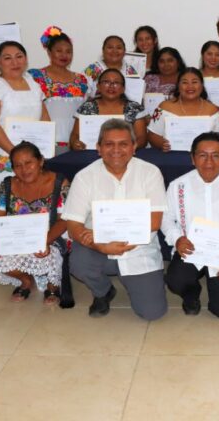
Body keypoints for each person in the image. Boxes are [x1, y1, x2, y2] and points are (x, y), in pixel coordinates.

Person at [62, 118, 168, 320]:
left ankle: (143, 281)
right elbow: (73, 224)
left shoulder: (150, 173)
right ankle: (103, 291)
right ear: (98, 148)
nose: (116, 150)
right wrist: (101, 245)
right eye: (109, 144)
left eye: (123, 144)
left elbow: (155, 222)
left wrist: (116, 239)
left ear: (134, 147)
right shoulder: (85, 177)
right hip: (98, 247)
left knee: (152, 313)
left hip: (138, 248)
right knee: (79, 263)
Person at [162, 132, 219, 318]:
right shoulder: (177, 186)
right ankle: (191, 292)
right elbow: (166, 218)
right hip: (191, 250)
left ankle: (217, 289)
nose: (209, 162)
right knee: (175, 280)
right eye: (202, 155)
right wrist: (177, 239)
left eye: (216, 156)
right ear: (193, 158)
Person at [0, 142, 68, 304]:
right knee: (1, 260)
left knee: (50, 256)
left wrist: (44, 241)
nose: (24, 170)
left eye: (29, 163)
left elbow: (64, 220)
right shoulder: (7, 185)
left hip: (53, 235)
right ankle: (26, 280)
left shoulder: (60, 183)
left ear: (41, 161)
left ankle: (53, 285)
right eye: (18, 165)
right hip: (18, 237)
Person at [0, 41, 49, 224]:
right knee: (4, 198)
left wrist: (46, 146)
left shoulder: (33, 84)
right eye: (7, 58)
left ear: (26, 59)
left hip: (31, 154)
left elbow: (44, 117)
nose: (14, 62)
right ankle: (2, 243)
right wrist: (14, 152)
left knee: (31, 195)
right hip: (3, 152)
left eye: (19, 56)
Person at [28, 26, 89, 154]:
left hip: (77, 144)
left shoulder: (81, 79)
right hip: (45, 143)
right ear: (49, 52)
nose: (64, 55)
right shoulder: (35, 76)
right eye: (59, 51)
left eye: (68, 51)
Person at [147, 68, 219, 151]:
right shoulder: (164, 108)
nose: (190, 86)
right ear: (178, 86)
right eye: (184, 82)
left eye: (194, 82)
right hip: (170, 157)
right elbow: (152, 136)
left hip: (204, 159)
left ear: (202, 85)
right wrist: (161, 144)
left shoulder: (213, 110)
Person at [69, 69, 147, 150]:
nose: (111, 86)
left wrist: (128, 148)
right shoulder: (87, 107)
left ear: (123, 89)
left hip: (126, 156)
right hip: (90, 155)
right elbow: (75, 135)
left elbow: (141, 138)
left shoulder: (135, 108)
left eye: (116, 83)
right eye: (106, 82)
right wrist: (76, 143)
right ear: (98, 86)